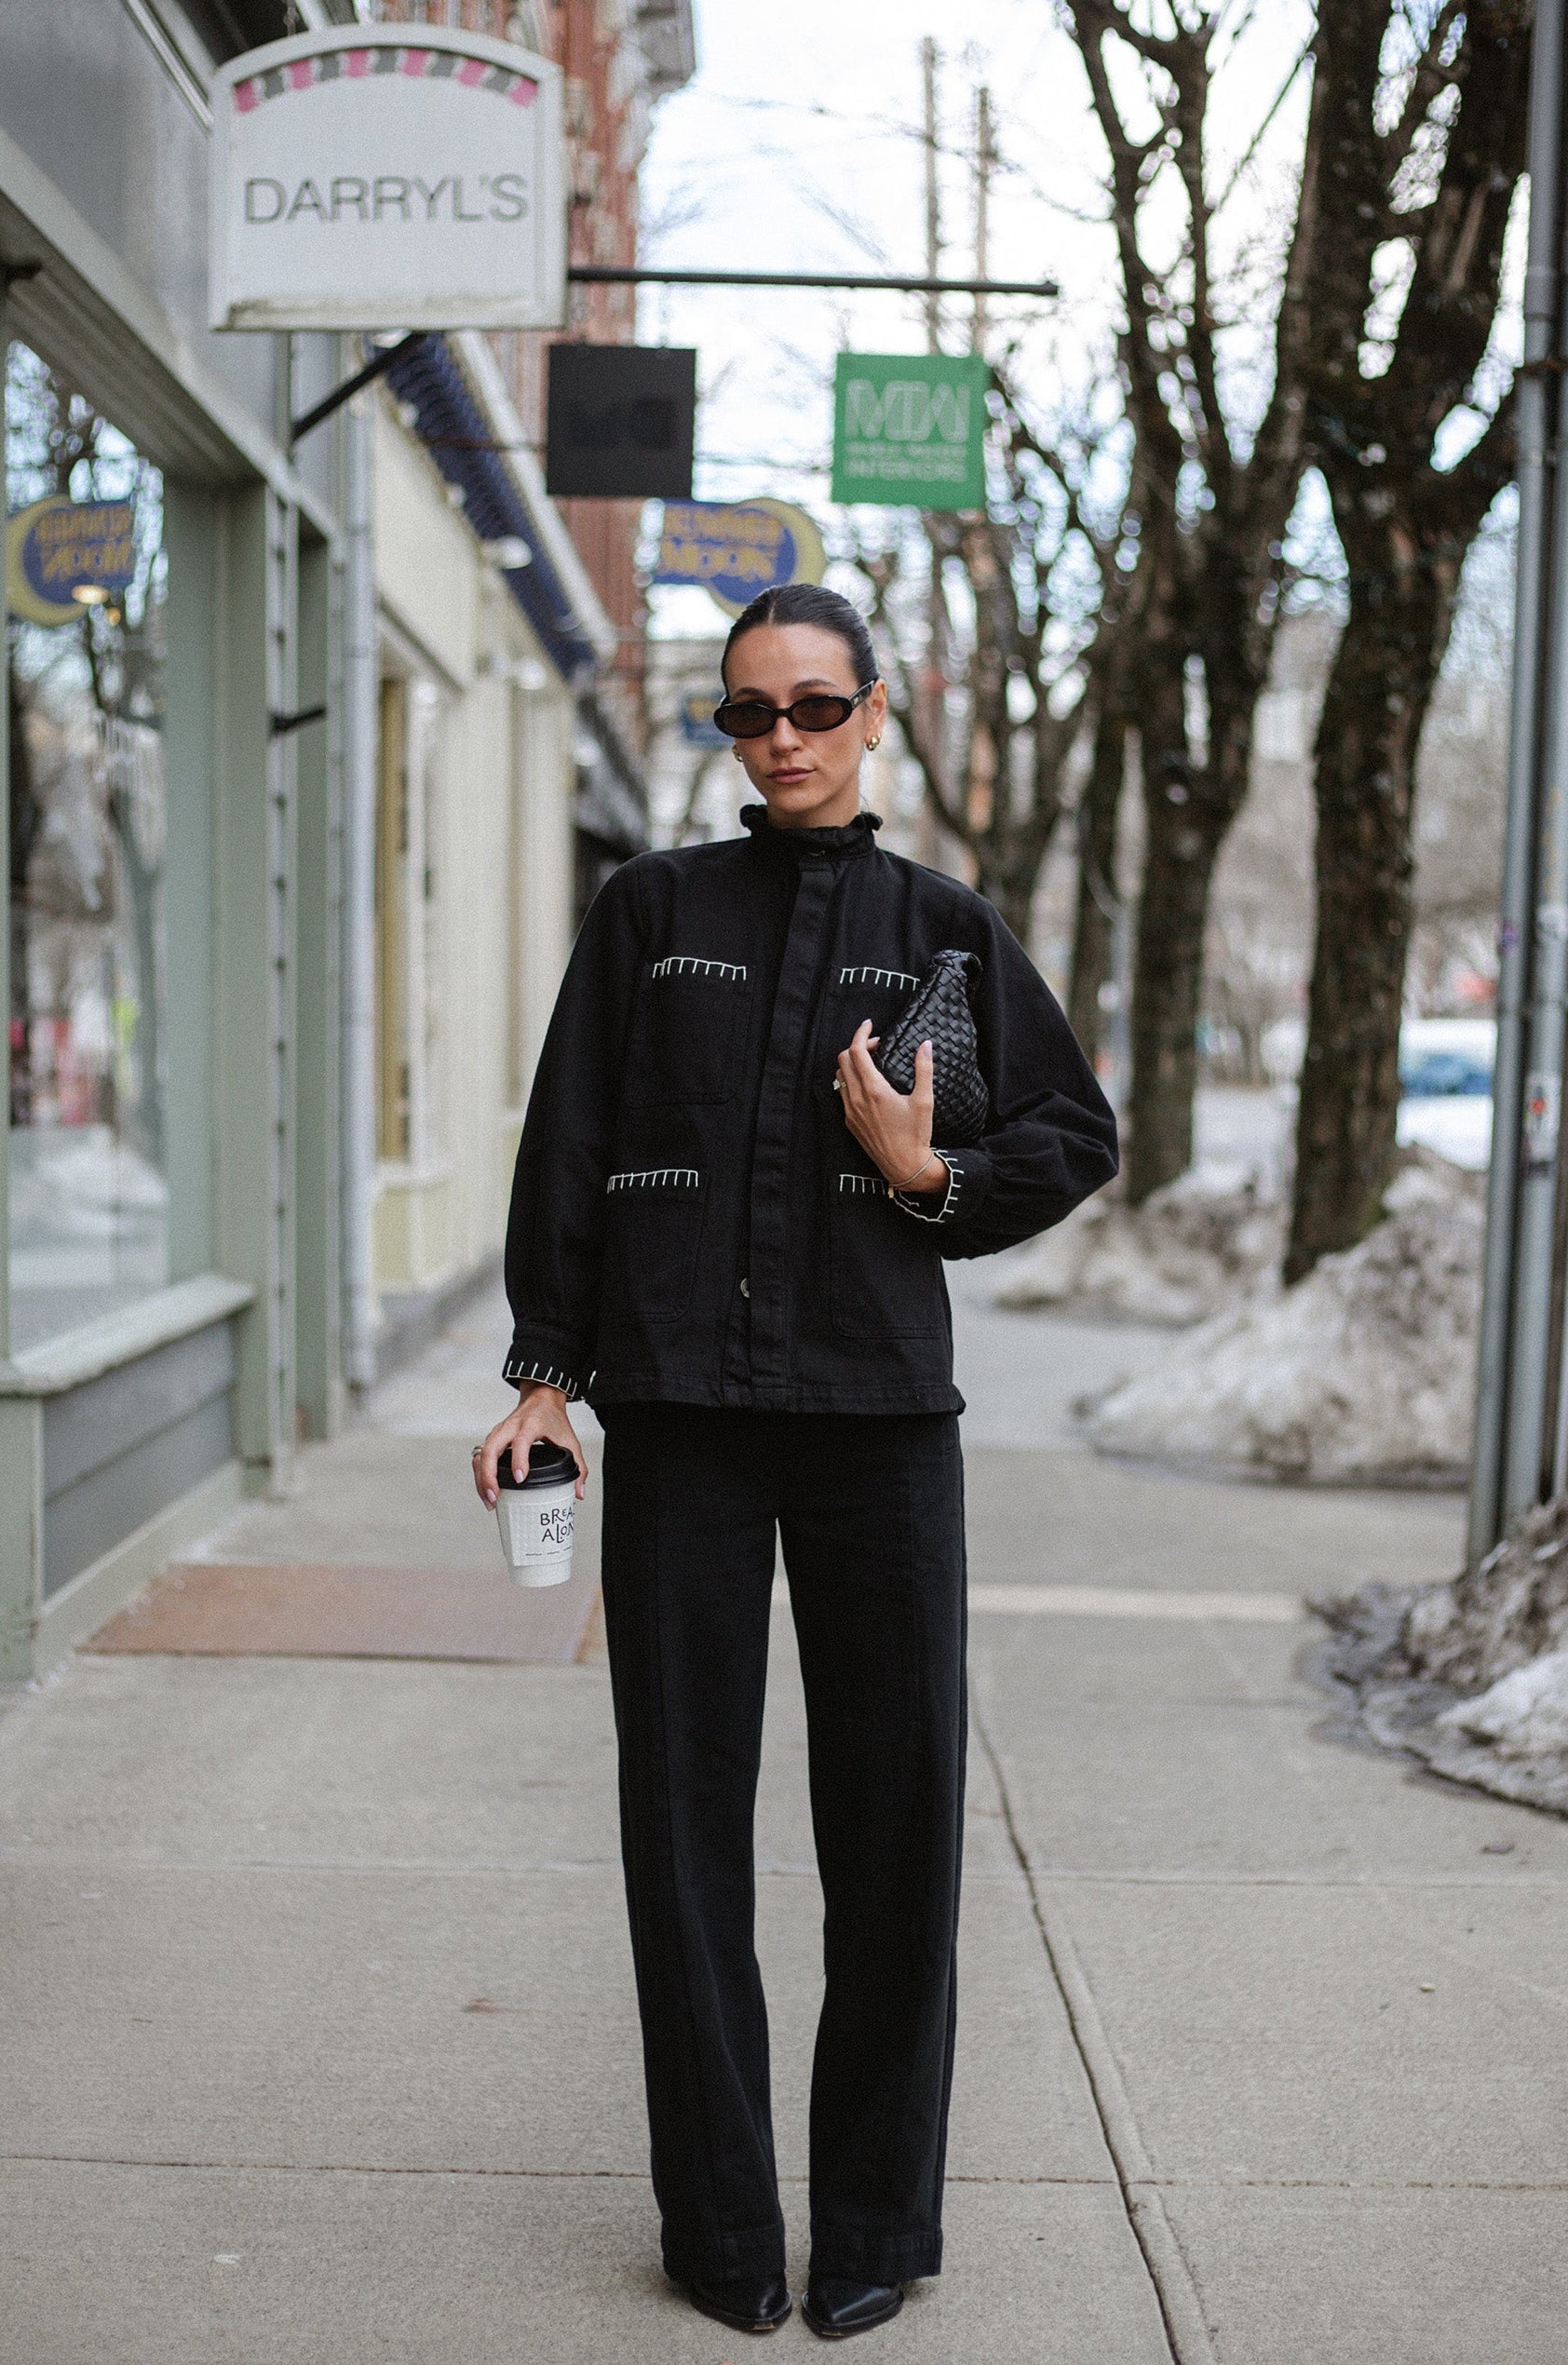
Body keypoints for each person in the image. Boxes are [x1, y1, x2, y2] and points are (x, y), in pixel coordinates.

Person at [474, 582, 1117, 2341]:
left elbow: (1074, 1133)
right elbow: (573, 1145)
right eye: (749, 716)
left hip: (881, 1432)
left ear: (875, 713)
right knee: (680, 1831)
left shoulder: (943, 930)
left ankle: (876, 2230)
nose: (783, 743)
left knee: (894, 1832)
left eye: (815, 710)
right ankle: (723, 2233)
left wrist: (928, 1178)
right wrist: (544, 1376)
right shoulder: (653, 911)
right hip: (678, 1421)